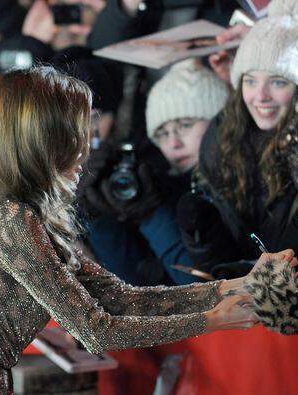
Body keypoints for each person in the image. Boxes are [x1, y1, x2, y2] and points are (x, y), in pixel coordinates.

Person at [0, 66, 297, 395]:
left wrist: (236, 287)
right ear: (41, 141)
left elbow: (122, 299)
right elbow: (98, 331)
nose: (86, 150)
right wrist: (214, 319)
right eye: (76, 134)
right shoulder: (8, 219)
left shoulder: (14, 213)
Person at [180, 0, 298, 274]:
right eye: (250, 81)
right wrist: (202, 240)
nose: (260, 96)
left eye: (277, 82)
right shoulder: (223, 137)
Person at [81, 59, 229, 284]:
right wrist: (99, 218)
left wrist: (152, 215)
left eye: (185, 125)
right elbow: (135, 289)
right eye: (163, 133)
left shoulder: (237, 186)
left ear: (221, 122)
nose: (174, 143)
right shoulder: (170, 186)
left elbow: (204, 287)